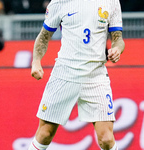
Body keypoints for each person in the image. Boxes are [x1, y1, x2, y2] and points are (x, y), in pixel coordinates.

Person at [29, 0, 125, 150]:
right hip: (64, 74)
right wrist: (36, 62)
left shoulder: (111, 1)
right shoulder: (59, 2)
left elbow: (118, 38)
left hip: (96, 75)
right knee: (45, 133)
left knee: (106, 139)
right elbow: (43, 36)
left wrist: (117, 49)